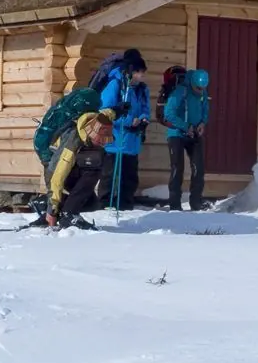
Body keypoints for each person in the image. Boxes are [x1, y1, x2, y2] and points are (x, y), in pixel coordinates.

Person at [98, 49, 152, 210]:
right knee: (109, 176)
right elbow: (105, 111)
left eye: (143, 72)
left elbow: (145, 108)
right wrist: (129, 121)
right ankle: (104, 205)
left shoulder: (142, 89)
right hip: (114, 140)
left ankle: (126, 205)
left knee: (130, 177)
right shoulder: (115, 85)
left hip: (132, 141)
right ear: (131, 71)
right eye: (139, 72)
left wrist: (143, 119)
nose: (142, 76)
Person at [45, 109, 117, 229]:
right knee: (95, 167)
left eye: (104, 141)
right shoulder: (73, 143)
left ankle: (53, 209)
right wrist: (51, 208)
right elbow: (58, 176)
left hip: (74, 170)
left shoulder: (97, 120)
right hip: (54, 174)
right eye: (100, 140)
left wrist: (117, 110)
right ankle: (68, 214)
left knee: (92, 204)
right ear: (91, 133)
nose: (103, 144)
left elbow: (108, 114)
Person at [162, 68, 211, 211]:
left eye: (203, 88)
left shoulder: (202, 92)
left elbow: (205, 109)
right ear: (192, 83)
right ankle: (175, 204)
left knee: (198, 168)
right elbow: (168, 113)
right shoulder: (180, 91)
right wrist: (185, 126)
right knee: (178, 168)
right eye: (198, 88)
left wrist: (202, 123)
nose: (201, 91)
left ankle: (196, 202)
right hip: (176, 133)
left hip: (194, 133)